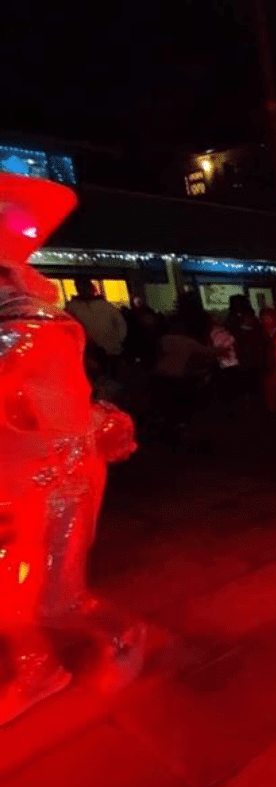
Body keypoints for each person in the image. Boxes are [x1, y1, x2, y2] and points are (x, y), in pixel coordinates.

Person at [1, 175, 144, 725]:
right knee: (13, 598)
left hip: (56, 482)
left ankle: (122, 635)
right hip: (17, 480)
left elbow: (59, 418)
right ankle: (38, 671)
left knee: (52, 599)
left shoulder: (35, 332)